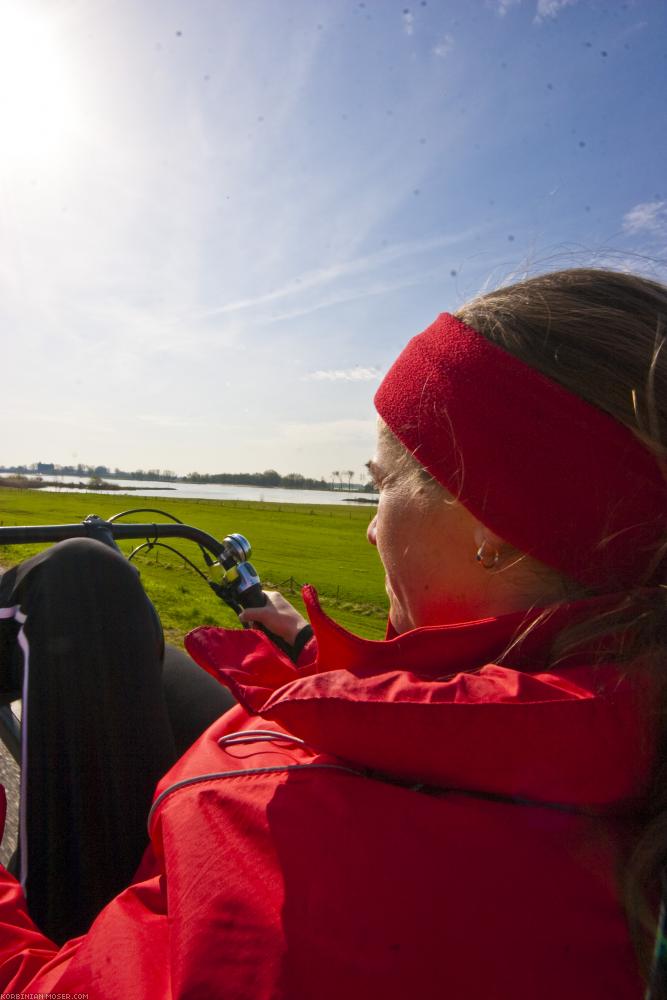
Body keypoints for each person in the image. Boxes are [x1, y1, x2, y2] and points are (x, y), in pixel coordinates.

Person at [0, 266, 666, 998]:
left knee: (75, 581)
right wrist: (305, 651)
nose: (373, 529)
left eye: (381, 484)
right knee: (96, 596)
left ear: (491, 523)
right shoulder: (628, 687)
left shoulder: (288, 853)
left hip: (139, 923)